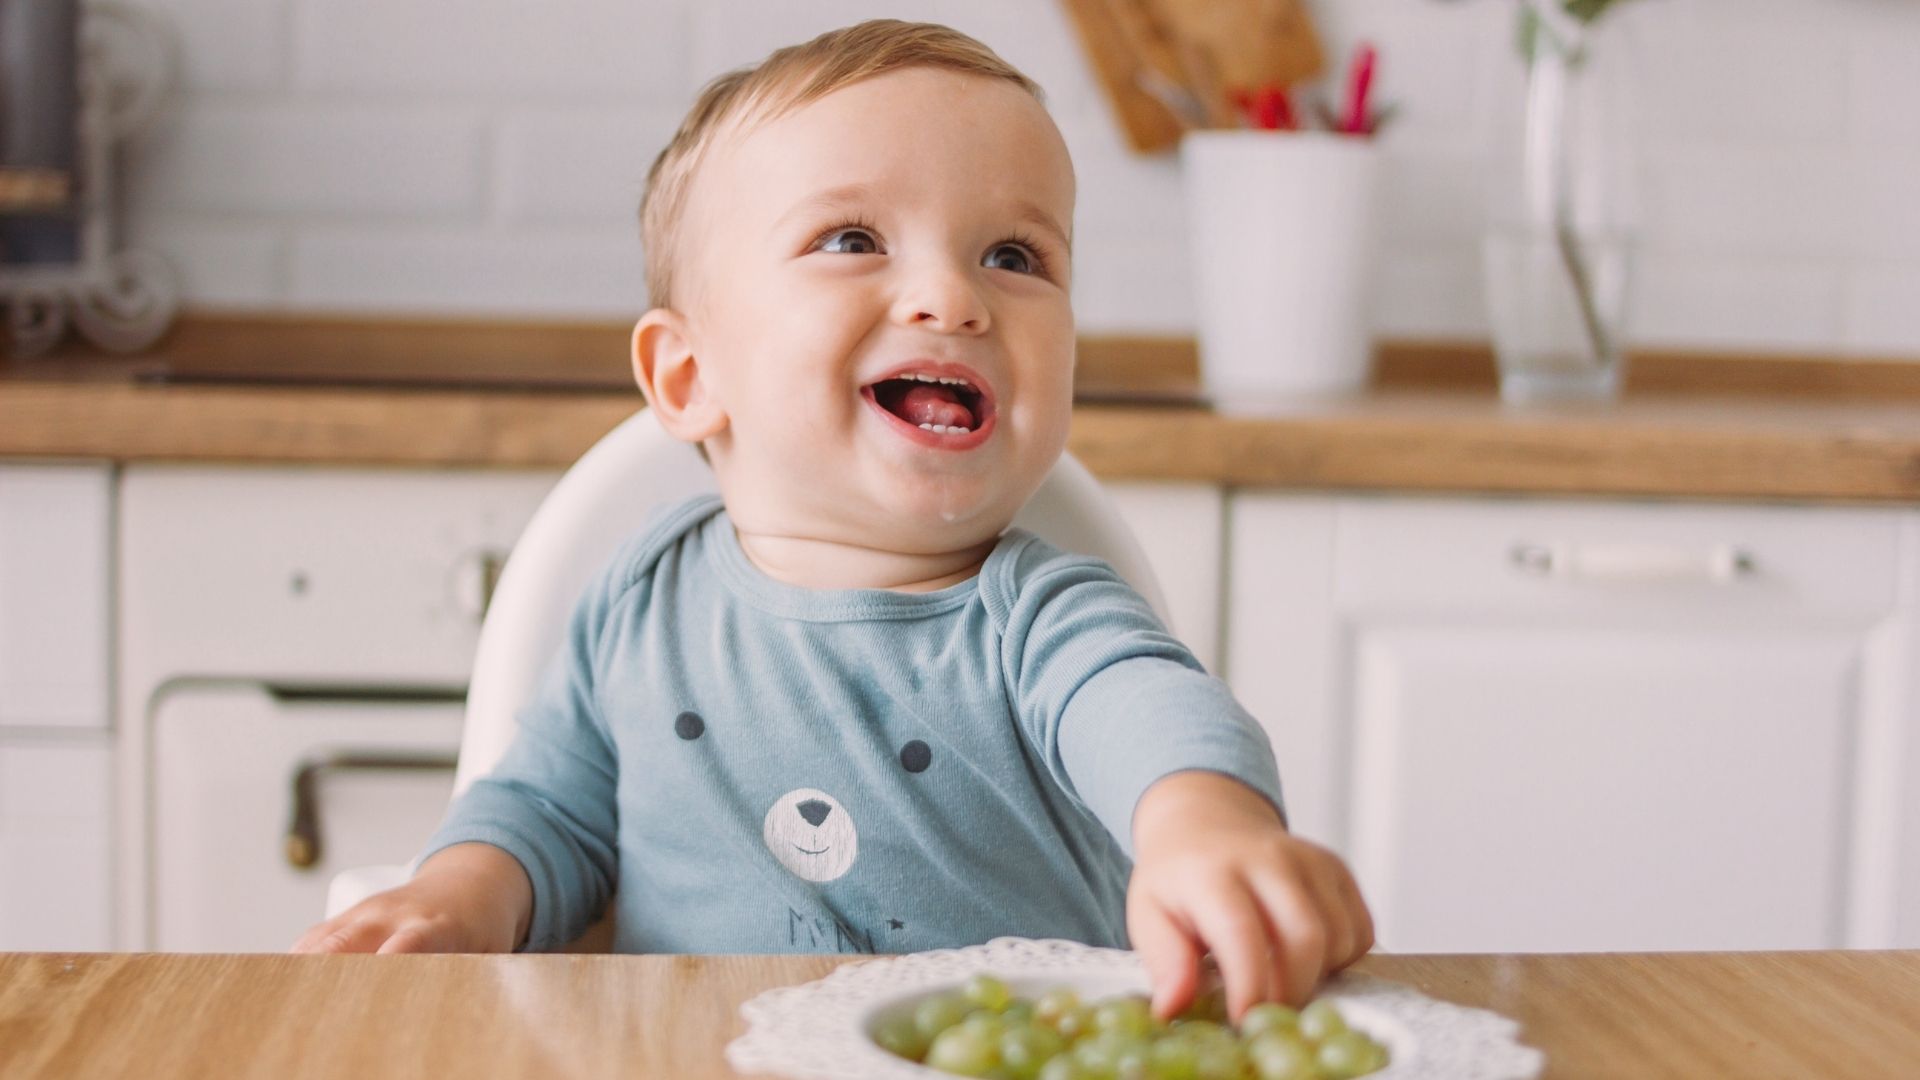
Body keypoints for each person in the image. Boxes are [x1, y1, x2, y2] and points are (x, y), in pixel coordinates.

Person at [293, 18, 1373, 1021]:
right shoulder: (639, 601)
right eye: (853, 238)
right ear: (688, 375)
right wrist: (456, 898)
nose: (953, 298)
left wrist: (1204, 827)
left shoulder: (1042, 617)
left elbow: (1150, 716)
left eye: (1014, 257)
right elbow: (547, 814)